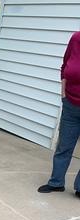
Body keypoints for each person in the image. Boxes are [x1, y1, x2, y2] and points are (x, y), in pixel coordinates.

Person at [38, 31, 80, 198]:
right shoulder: (76, 38)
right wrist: (63, 93)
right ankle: (56, 183)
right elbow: (65, 66)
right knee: (64, 146)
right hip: (70, 103)